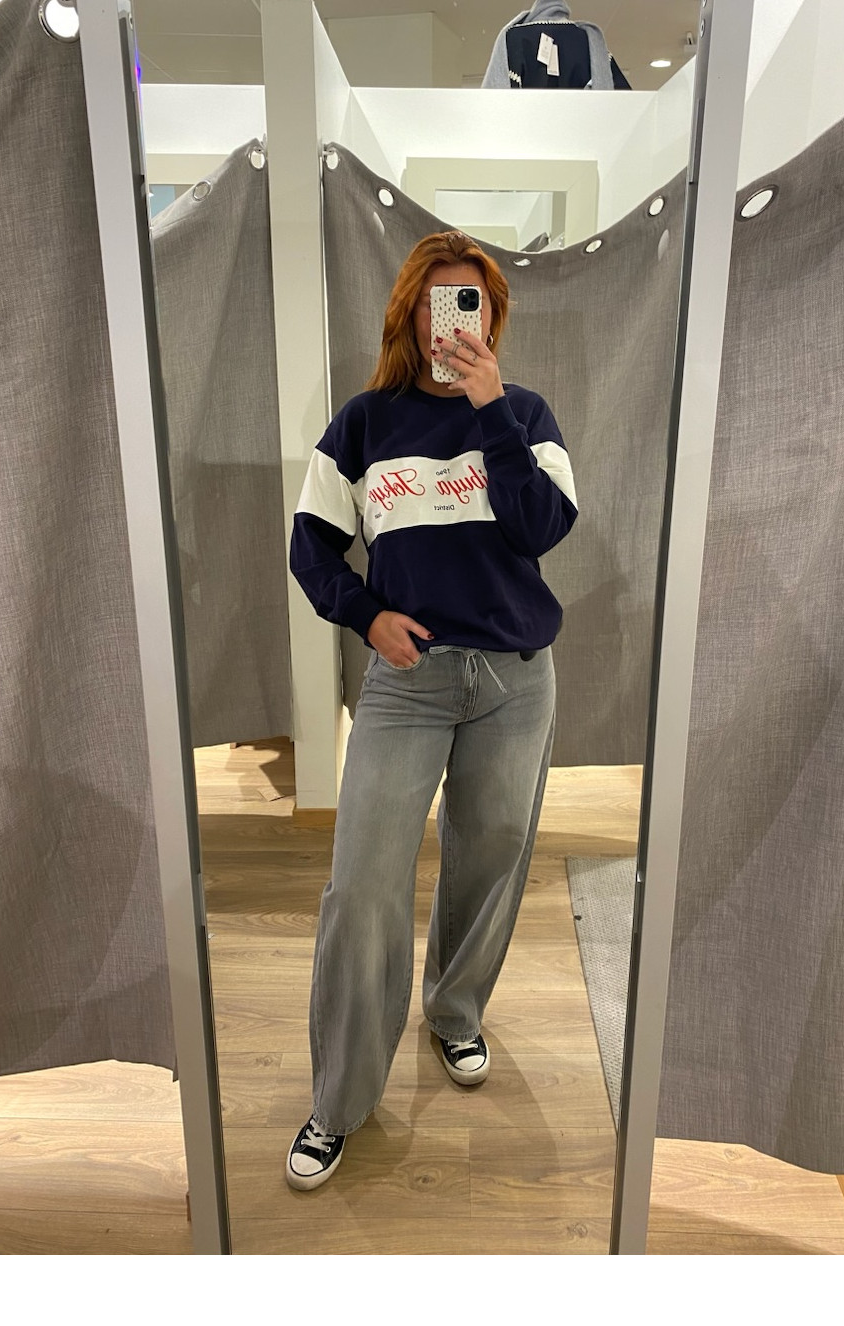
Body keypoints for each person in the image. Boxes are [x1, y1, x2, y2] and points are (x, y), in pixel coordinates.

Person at [285, 230, 578, 1189]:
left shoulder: (524, 414)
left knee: (490, 857)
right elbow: (312, 545)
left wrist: (490, 407)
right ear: (409, 314)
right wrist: (365, 616)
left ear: (492, 318)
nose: (454, 321)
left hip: (513, 681)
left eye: (473, 304)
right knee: (363, 883)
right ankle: (338, 1099)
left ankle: (454, 1013)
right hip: (407, 684)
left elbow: (540, 528)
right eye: (437, 302)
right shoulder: (364, 424)